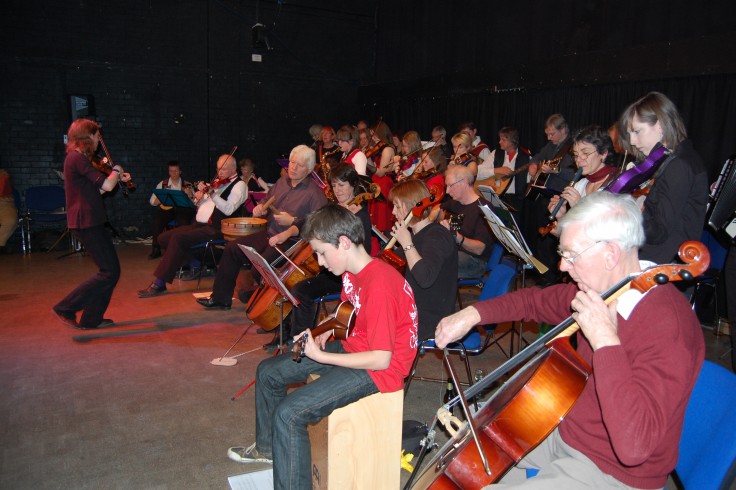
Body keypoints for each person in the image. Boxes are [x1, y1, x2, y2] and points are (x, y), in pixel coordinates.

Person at [434, 191, 704, 489]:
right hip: (565, 430)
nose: (562, 267)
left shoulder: (669, 326)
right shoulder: (604, 289)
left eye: (570, 255)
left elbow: (634, 447)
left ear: (611, 254)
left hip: (611, 471)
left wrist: (605, 340)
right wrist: (472, 313)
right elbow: (534, 301)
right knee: (467, 465)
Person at [226, 204, 418, 490]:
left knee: (289, 414)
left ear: (343, 242)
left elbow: (380, 359)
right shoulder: (354, 271)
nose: (319, 261)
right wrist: (327, 331)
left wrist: (322, 355)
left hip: (380, 371)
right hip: (359, 348)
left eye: (321, 252)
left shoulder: (380, 283)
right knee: (268, 372)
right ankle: (269, 451)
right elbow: (350, 312)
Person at [196, 145, 327, 309]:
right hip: (269, 233)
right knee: (232, 248)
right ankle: (221, 298)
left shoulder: (314, 193)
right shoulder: (282, 182)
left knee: (260, 265)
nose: (293, 167)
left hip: (291, 241)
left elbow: (320, 223)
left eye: (299, 165)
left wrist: (293, 220)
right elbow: (266, 200)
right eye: (292, 162)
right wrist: (261, 207)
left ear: (309, 169)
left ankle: (258, 300)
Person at [276, 164, 373, 348]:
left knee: (301, 291)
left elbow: (364, 251)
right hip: (328, 268)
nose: (337, 190)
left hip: (344, 275)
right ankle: (289, 335)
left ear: (353, 185)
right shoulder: (334, 207)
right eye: (334, 186)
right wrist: (289, 231)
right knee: (289, 284)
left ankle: (301, 343)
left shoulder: (360, 215)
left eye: (342, 185)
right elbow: (310, 220)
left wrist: (348, 223)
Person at [52, 118, 133, 329]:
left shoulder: (79, 159)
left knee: (110, 271)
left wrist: (118, 179)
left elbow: (99, 190)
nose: (99, 140)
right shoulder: (76, 159)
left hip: (90, 219)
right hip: (85, 220)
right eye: (97, 136)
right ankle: (66, 307)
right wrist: (116, 170)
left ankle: (91, 319)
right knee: (109, 272)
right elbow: (106, 183)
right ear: (87, 137)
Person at [137, 153, 247, 297]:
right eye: (218, 169)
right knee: (163, 238)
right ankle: (198, 263)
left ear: (233, 169)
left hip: (217, 228)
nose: (219, 172)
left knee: (178, 239)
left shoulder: (240, 185)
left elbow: (228, 209)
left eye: (224, 169)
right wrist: (198, 199)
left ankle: (159, 283)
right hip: (199, 225)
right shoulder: (218, 183)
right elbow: (203, 206)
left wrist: (212, 194)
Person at [619, 91, 709, 264]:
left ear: (660, 126)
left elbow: (658, 231)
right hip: (658, 261)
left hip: (662, 267)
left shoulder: (679, 165)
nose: (632, 141)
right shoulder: (675, 160)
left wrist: (626, 211)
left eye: (637, 131)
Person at [389, 179, 457, 341]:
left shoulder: (437, 235)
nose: (393, 212)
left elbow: (425, 278)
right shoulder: (416, 235)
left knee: (375, 325)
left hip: (429, 317)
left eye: (397, 206)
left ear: (412, 206)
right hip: (411, 308)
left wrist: (406, 243)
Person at [547, 125, 617, 222]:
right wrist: (562, 217)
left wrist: (579, 206)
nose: (578, 160)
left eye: (585, 153)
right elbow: (577, 232)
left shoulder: (616, 183)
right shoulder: (580, 185)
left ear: (603, 153)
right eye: (576, 155)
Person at [439, 165, 495, 278]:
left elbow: (480, 249)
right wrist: (436, 219)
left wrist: (458, 238)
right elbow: (437, 208)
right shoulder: (455, 202)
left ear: (464, 182)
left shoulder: (484, 208)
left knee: (437, 263)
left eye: (450, 186)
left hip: (475, 260)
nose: (447, 191)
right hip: (454, 251)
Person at [475, 126, 532, 215]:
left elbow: (528, 180)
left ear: (512, 141)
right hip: (495, 197)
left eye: (503, 140)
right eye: (500, 139)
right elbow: (477, 171)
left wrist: (533, 173)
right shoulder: (496, 153)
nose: (499, 142)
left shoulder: (525, 156)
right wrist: (496, 170)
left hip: (516, 201)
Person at [147, 160, 195, 259]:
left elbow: (194, 203)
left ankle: (182, 249)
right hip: (167, 209)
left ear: (180, 171)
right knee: (158, 220)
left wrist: (190, 195)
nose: (173, 173)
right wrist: (161, 198)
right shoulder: (162, 184)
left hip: (182, 210)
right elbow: (152, 201)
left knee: (184, 222)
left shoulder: (187, 184)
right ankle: (156, 248)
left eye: (176, 171)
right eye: (171, 171)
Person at [0, 165, 18, 254]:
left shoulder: (3, 175)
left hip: (5, 204)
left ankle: (1, 244)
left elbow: (2, 191)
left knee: (10, 221)